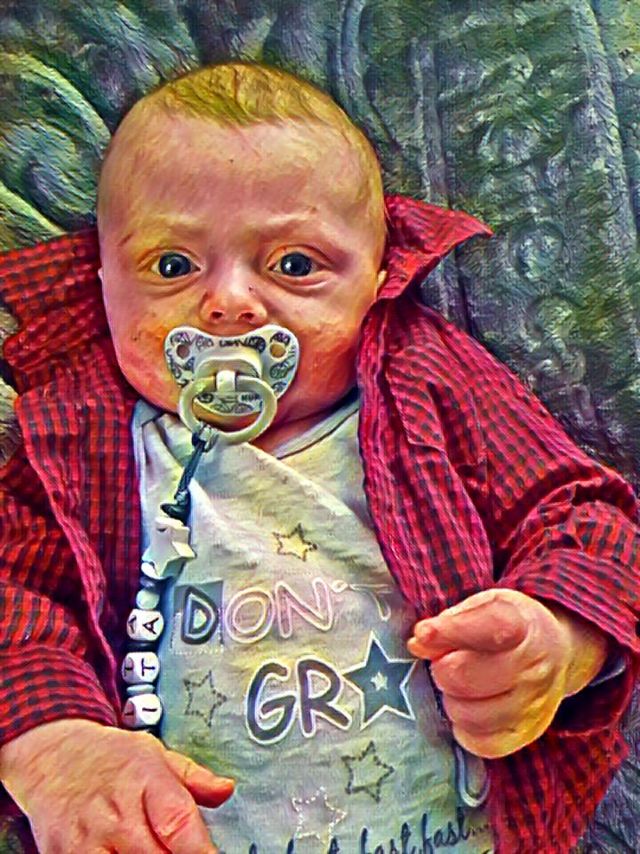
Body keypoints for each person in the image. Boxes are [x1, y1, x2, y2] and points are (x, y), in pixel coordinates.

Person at [0, 61, 637, 854]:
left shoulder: (426, 383)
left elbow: (585, 516)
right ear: (102, 283)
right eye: (171, 266)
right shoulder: (80, 438)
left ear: (376, 279)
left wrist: (558, 641)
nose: (229, 303)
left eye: (295, 265)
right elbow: (15, 602)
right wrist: (55, 747)